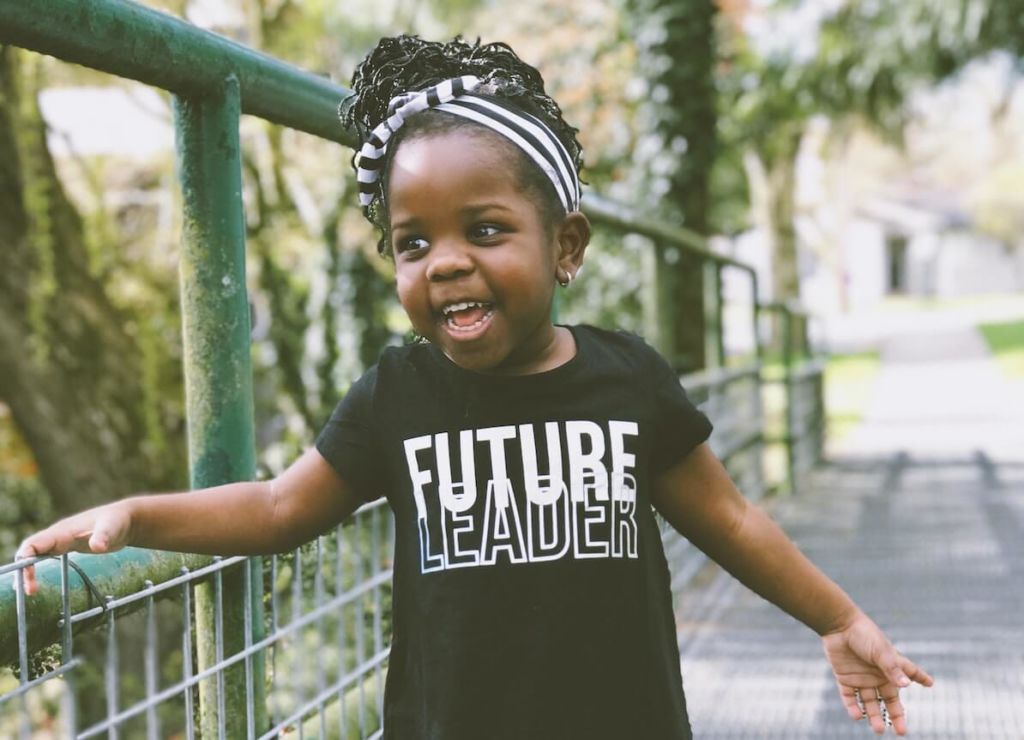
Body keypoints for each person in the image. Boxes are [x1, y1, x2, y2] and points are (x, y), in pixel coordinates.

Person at [16, 35, 931, 740]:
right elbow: (277, 506)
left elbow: (728, 518)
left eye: (485, 231)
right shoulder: (396, 393)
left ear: (565, 247)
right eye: (413, 244)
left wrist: (838, 617)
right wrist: (138, 515)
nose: (445, 264)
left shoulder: (627, 378)